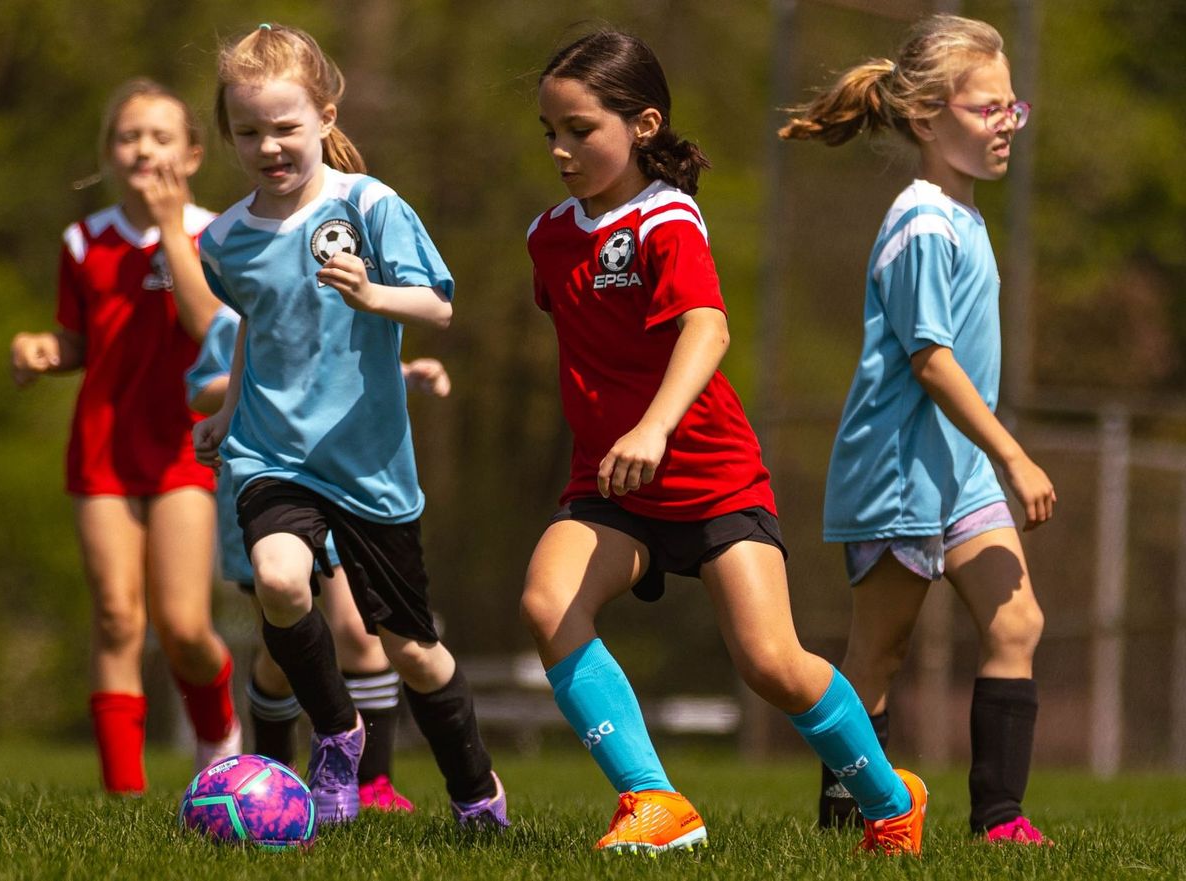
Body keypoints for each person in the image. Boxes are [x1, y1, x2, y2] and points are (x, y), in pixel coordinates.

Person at [522, 30, 927, 855]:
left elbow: (705, 328)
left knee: (771, 663)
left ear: (642, 124)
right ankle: (655, 800)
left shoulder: (667, 218)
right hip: (613, 487)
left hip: (711, 478)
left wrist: (653, 426)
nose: (561, 150)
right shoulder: (549, 237)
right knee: (546, 602)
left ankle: (892, 801)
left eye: (580, 130)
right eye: (550, 132)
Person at [192, 23, 506, 828]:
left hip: (368, 465)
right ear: (229, 133)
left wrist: (374, 295)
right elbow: (261, 322)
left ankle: (476, 791)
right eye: (249, 131)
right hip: (273, 455)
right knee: (281, 579)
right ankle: (337, 735)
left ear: (326, 116)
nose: (270, 145)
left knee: (411, 649)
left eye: (286, 126)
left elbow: (436, 302)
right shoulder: (222, 241)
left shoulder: (370, 205)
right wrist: (228, 411)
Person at [779, 14, 1054, 846]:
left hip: (959, 470)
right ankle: (847, 826)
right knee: (876, 659)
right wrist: (1012, 451)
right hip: (900, 471)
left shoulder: (964, 218)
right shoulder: (922, 223)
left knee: (1017, 622)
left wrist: (988, 457)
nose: (1005, 124)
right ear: (930, 118)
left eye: (1013, 108)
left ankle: (999, 820)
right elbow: (931, 360)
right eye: (986, 110)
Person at [9, 78, 241, 795]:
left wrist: (172, 231)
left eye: (161, 136)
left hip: (184, 447)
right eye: (128, 136)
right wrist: (43, 350)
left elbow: (209, 329)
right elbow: (80, 340)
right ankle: (123, 797)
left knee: (182, 627)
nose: (144, 148)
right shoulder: (83, 241)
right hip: (102, 448)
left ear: (194, 154)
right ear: (109, 152)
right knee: (115, 616)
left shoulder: (220, 234)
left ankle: (219, 737)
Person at [186, 305, 453, 811]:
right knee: (281, 654)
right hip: (273, 496)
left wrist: (406, 374)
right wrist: (267, 385)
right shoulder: (237, 305)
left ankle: (372, 781)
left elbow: (350, 371)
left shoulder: (346, 300)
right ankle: (273, 768)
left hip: (345, 488)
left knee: (359, 633)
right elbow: (201, 390)